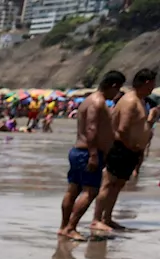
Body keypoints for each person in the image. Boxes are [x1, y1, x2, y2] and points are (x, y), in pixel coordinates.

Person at [60, 71, 124, 240]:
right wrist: (94, 155)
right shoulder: (97, 102)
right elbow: (91, 129)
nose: (116, 94)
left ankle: (64, 226)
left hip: (79, 151)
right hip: (87, 153)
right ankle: (70, 227)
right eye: (117, 90)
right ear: (113, 86)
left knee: (73, 190)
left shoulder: (89, 100)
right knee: (90, 192)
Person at [93, 68, 156, 233]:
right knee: (108, 184)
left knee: (118, 185)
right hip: (121, 147)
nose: (154, 86)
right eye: (153, 83)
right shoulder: (130, 100)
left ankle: (107, 218)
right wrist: (130, 147)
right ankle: (96, 219)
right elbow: (122, 129)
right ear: (147, 83)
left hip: (131, 150)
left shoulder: (141, 100)